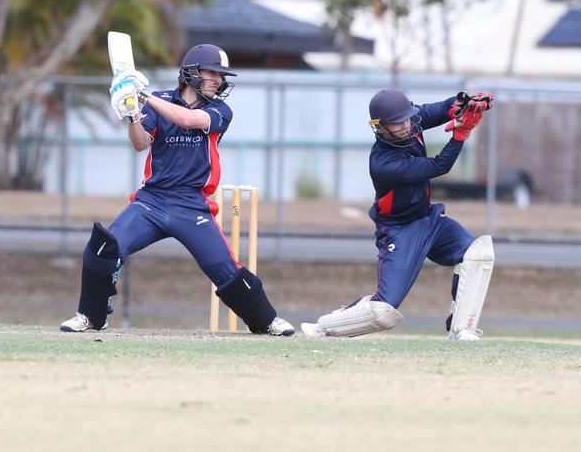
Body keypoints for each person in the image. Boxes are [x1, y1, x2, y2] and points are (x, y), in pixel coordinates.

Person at [60, 44, 294, 336]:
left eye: (222, 76)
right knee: (104, 248)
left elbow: (186, 120)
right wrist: (132, 113)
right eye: (213, 73)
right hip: (151, 203)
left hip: (192, 206)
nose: (219, 81)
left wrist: (142, 96)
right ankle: (90, 317)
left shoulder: (219, 110)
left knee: (226, 270)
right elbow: (140, 143)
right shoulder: (160, 100)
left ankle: (266, 321)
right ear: (191, 71)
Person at [301, 89, 495, 341]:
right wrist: (461, 134)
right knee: (383, 311)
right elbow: (439, 166)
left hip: (430, 220)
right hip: (398, 229)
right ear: (380, 128)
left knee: (478, 254)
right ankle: (324, 327)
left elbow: (444, 107)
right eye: (397, 123)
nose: (406, 126)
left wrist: (467, 103)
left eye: (408, 118)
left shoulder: (410, 121)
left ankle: (462, 329)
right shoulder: (384, 163)